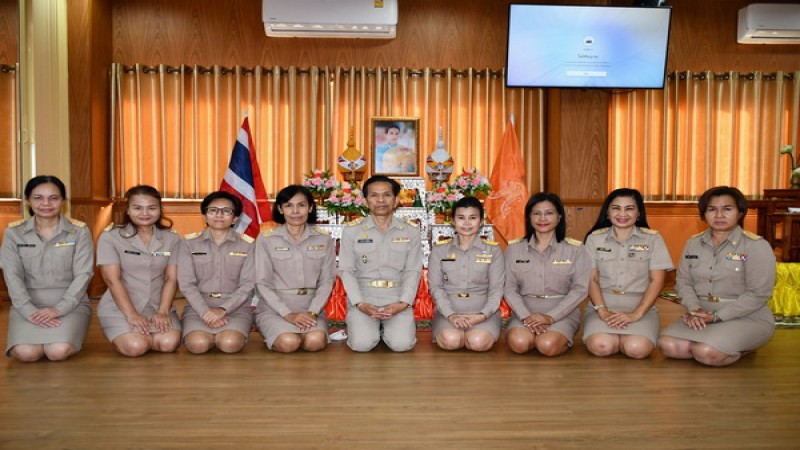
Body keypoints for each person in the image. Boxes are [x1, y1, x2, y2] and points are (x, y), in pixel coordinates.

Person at [658, 186, 776, 366]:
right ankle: (712, 340)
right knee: (668, 346)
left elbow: (759, 293)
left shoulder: (756, 246)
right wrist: (694, 309)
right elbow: (683, 282)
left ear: (740, 212)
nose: (719, 215)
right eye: (712, 209)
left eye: (727, 209)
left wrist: (717, 317)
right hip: (701, 315)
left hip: (745, 316)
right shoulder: (693, 243)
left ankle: (743, 347)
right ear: (703, 214)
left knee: (706, 353)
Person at [1, 175, 93, 362]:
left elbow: (84, 274)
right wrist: (28, 310)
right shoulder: (13, 233)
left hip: (70, 303)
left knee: (57, 351)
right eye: (38, 197)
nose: (46, 203)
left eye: (53, 198)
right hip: (27, 303)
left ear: (63, 201)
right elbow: (12, 275)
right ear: (28, 200)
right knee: (26, 354)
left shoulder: (80, 231)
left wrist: (59, 308)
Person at [582, 188, 674, 359]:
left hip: (640, 306)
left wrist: (636, 314)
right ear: (608, 212)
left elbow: (657, 281)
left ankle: (627, 336)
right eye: (616, 208)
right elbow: (591, 279)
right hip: (602, 305)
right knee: (601, 346)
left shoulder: (653, 239)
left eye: (629, 208)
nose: (622, 213)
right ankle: (612, 335)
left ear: (639, 213)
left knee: (636, 349)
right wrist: (602, 311)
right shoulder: (594, 239)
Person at [339, 175, 422, 352]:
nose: (381, 200)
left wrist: (403, 303)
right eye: (374, 195)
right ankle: (369, 327)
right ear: (365, 200)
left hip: (396, 297)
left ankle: (386, 329)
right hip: (365, 297)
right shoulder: (352, 231)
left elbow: (413, 270)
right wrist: (360, 303)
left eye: (386, 195)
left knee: (402, 345)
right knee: (362, 345)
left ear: (396, 200)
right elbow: (346, 269)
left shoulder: (410, 231)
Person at [97, 185, 182, 357]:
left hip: (158, 307)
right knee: (136, 347)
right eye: (137, 208)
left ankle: (146, 336)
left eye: (152, 208)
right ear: (128, 210)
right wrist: (132, 315)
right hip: (122, 308)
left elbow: (171, 279)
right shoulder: (111, 237)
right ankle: (131, 335)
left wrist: (163, 312)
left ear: (160, 210)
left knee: (168, 344)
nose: (145, 213)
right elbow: (112, 280)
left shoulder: (171, 238)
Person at [504, 192, 591, 357]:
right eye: (536, 213)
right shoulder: (514, 249)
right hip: (525, 311)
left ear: (559, 217)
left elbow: (580, 290)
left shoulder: (576, 250)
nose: (542, 218)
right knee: (519, 343)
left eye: (549, 213)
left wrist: (550, 317)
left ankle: (558, 336)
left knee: (547, 345)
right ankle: (532, 332)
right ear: (529, 217)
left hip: (561, 311)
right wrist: (525, 316)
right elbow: (509, 288)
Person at [254, 185, 336, 353]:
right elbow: (261, 283)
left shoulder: (323, 239)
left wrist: (313, 312)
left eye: (301, 205)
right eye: (289, 206)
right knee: (289, 342)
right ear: (280, 209)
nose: (295, 211)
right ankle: (275, 332)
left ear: (310, 207)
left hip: (310, 308)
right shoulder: (266, 239)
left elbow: (327, 281)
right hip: (276, 309)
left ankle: (299, 332)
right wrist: (287, 314)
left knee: (315, 342)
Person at [177, 191, 255, 354]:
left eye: (226, 211)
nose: (219, 215)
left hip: (235, 307)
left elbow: (248, 285)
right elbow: (186, 284)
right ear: (204, 215)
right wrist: (205, 312)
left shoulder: (248, 245)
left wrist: (222, 310)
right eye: (213, 210)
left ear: (235, 218)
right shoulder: (188, 244)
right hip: (198, 306)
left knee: (229, 343)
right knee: (198, 344)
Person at [428, 196, 504, 352]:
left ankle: (478, 329)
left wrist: (482, 315)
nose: (467, 223)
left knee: (478, 342)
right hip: (448, 312)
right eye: (461, 218)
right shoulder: (440, 250)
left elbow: (497, 289)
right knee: (451, 340)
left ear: (481, 221)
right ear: (453, 221)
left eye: (473, 218)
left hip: (482, 312)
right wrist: (451, 315)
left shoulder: (493, 251)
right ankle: (453, 328)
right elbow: (436, 287)